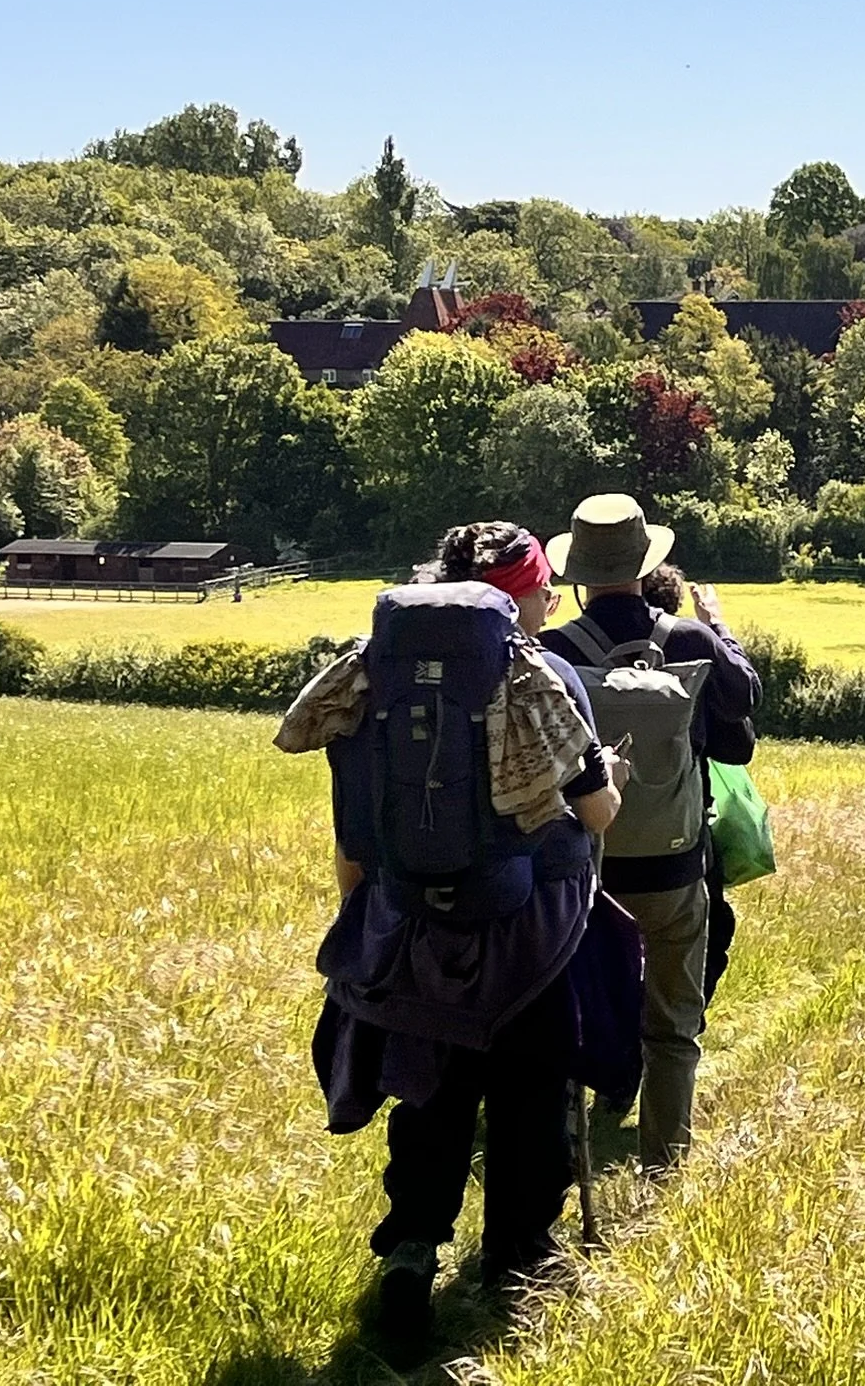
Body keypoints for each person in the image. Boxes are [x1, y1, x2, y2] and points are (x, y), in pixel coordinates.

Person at [283, 521, 628, 1349]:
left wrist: (374, 922)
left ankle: (411, 1250)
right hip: (531, 938)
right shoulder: (544, 678)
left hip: (412, 929)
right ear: (520, 594)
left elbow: (355, 826)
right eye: (541, 589)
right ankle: (519, 1260)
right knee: (530, 1097)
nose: (548, 602)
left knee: (428, 1096)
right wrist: (610, 777)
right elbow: (594, 813)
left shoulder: (368, 675)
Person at [542, 495, 760, 1172]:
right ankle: (664, 1163)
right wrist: (718, 628)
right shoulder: (688, 641)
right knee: (673, 1026)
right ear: (645, 564)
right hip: (675, 867)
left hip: (586, 873)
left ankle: (563, 1150)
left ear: (580, 574)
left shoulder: (553, 652)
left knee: (570, 1016)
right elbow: (744, 705)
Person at [642, 561, 752, 1007]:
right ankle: (683, 1018)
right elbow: (740, 746)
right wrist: (716, 625)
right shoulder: (691, 646)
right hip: (682, 835)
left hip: (600, 836)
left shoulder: (567, 646)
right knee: (712, 930)